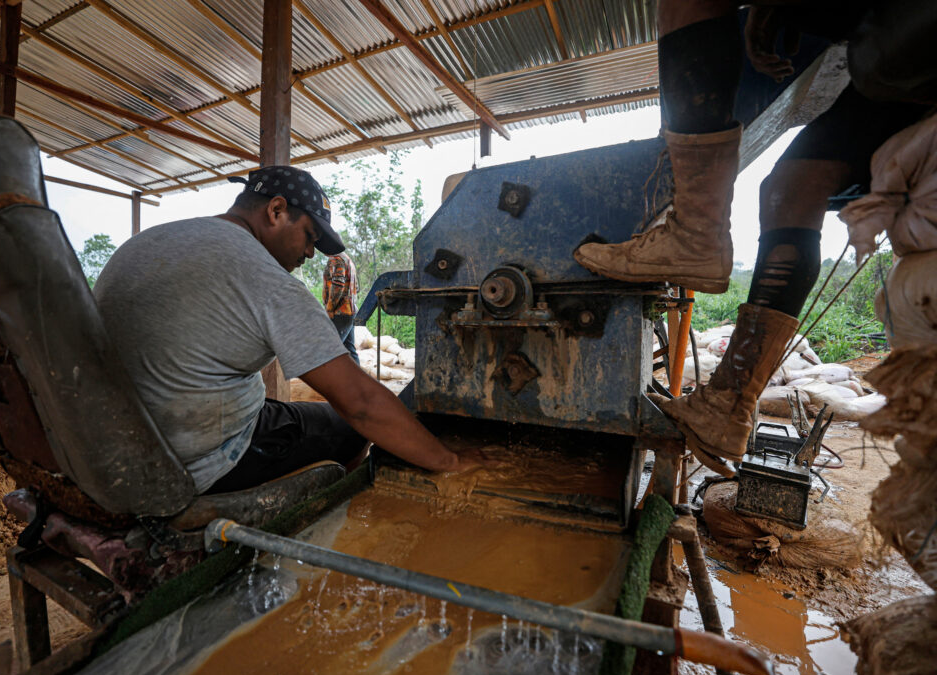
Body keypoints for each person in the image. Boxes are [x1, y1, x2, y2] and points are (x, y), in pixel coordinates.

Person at [574, 1, 935, 476]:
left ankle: (695, 235)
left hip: (912, 38)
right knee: (790, 191)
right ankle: (729, 404)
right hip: (898, 50)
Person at [94, 166, 484, 494]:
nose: (311, 253)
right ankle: (315, 522)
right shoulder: (263, 277)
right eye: (310, 236)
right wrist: (448, 461)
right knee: (349, 427)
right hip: (199, 461)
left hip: (113, 451)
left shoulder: (147, 242)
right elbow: (361, 403)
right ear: (276, 210)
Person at [322, 251, 359, 362]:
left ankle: (330, 379)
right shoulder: (347, 259)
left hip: (340, 313)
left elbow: (338, 285)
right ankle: (355, 379)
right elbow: (356, 287)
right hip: (349, 311)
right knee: (350, 349)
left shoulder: (336, 259)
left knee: (331, 350)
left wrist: (329, 309)